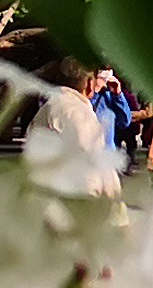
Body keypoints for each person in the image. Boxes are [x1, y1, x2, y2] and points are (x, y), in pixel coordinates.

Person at [28, 58, 121, 196]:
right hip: (77, 197)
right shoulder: (79, 112)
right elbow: (91, 160)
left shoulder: (48, 107)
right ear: (90, 84)